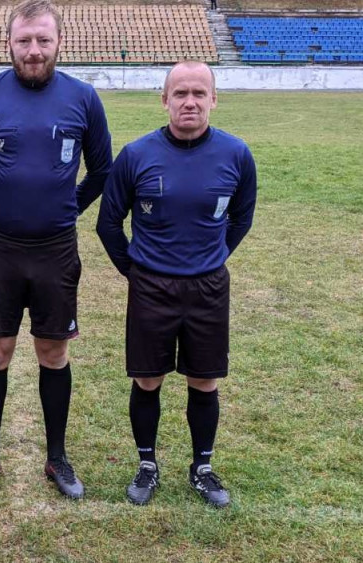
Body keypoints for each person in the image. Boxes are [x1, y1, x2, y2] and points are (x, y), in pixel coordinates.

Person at [0, 0, 112, 500]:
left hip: (56, 249)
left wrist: (66, 209)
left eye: (43, 39)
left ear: (60, 42)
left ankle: (57, 457)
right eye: (24, 40)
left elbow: (101, 171)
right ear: (9, 43)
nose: (34, 50)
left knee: (53, 351)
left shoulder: (83, 98)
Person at [96, 60, 256, 507]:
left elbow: (241, 218)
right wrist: (135, 272)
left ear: (214, 99)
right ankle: (147, 464)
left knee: (204, 380)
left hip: (208, 289)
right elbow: (108, 224)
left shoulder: (236, 154)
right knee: (148, 379)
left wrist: (213, 256)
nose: (190, 102)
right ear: (164, 99)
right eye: (180, 93)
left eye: (199, 93)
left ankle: (201, 468)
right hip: (151, 287)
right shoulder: (136, 155)